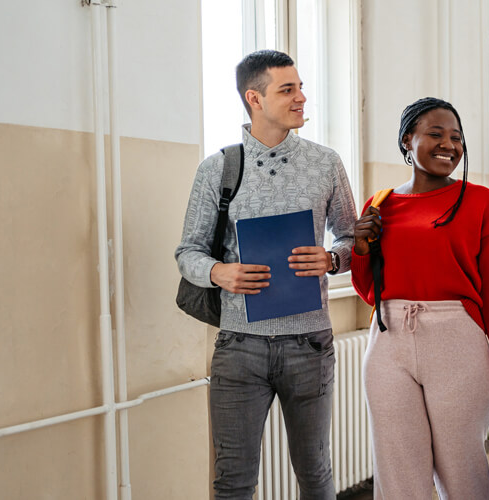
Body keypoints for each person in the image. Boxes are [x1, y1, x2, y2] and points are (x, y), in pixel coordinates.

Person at [175, 50, 356, 499]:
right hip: (239, 347)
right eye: (288, 89)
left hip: (310, 344)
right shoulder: (217, 169)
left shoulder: (326, 163)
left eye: (300, 87)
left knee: (315, 473)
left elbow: (353, 240)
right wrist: (220, 272)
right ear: (254, 98)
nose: (301, 97)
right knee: (233, 481)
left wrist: (332, 259)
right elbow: (187, 253)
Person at [350, 97, 489, 499]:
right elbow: (370, 292)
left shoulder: (481, 202)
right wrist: (360, 247)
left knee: (461, 472)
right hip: (389, 342)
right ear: (407, 140)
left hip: (456, 344)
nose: (449, 144)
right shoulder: (380, 204)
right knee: (398, 475)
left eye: (456, 137)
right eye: (435, 134)